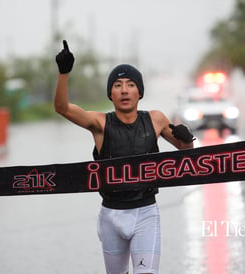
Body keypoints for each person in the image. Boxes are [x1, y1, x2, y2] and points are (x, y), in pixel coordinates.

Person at [54, 40, 195, 274]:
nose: (124, 90)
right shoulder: (99, 124)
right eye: (117, 85)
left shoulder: (156, 119)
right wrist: (63, 74)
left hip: (146, 213)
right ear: (110, 93)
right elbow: (62, 108)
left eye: (130, 85)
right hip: (111, 215)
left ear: (140, 92)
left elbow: (187, 151)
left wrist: (186, 137)